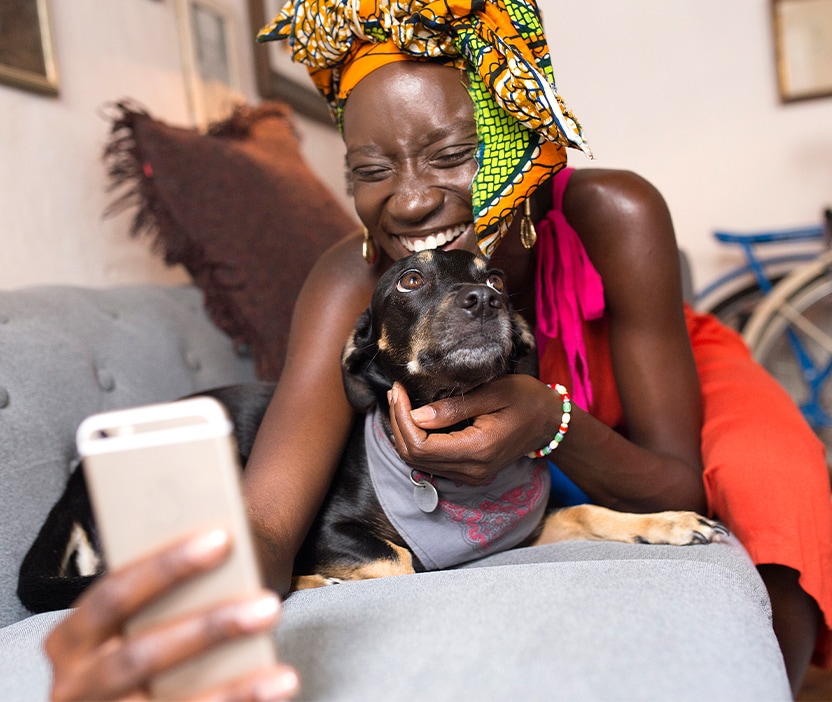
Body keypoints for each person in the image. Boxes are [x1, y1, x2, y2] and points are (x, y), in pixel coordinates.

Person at [46, 0, 832, 698]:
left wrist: (547, 421)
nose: (413, 199)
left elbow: (675, 485)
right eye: (372, 170)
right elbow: (270, 523)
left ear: (515, 130)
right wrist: (188, 620)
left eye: (450, 156)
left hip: (636, 369)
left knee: (780, 491)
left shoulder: (615, 214)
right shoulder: (349, 280)